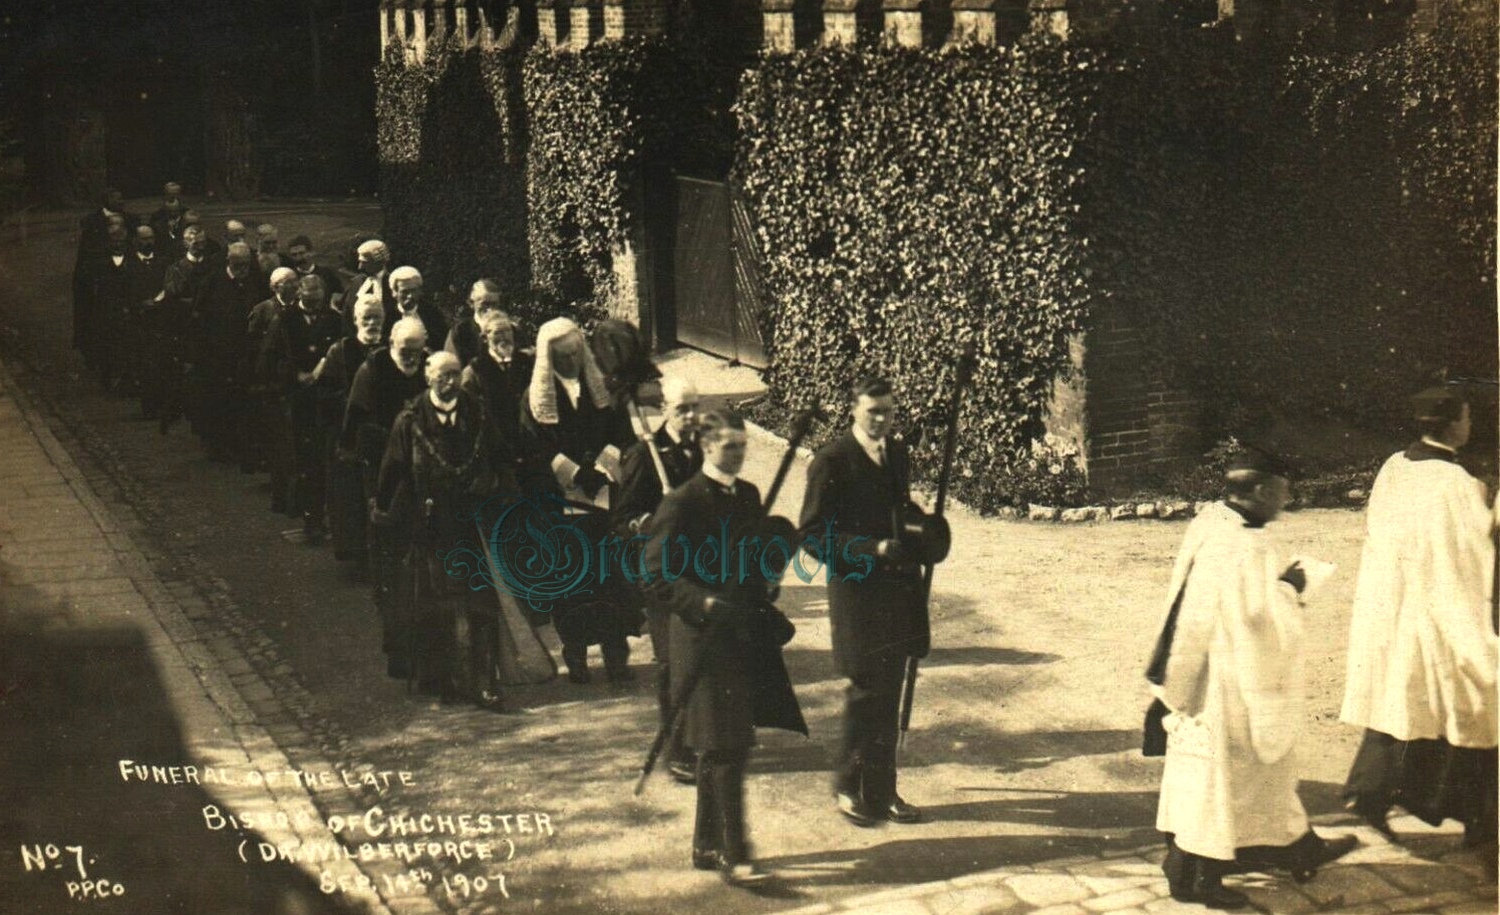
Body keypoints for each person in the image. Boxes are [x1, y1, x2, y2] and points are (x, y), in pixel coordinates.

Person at [1148, 449, 1357, 909]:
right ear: (1261, 490)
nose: (1289, 497)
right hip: (1234, 681)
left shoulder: (1212, 521)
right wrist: (1293, 588)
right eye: (1283, 489)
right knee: (1226, 778)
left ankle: (1293, 844)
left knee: (1230, 775)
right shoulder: (1248, 545)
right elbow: (1261, 622)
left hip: (1199, 668)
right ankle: (1197, 878)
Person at [642, 407, 806, 886]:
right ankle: (737, 855)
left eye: (742, 445)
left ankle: (706, 844)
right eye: (728, 446)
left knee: (724, 744)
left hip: (740, 637)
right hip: (701, 639)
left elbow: (754, 563)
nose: (737, 454)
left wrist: (769, 578)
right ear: (706, 446)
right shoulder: (682, 501)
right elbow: (655, 573)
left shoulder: (749, 496)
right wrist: (705, 603)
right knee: (724, 746)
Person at [1339, 386, 1497, 858]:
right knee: (1476, 708)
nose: (1470, 426)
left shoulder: (1395, 467)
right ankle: (1482, 823)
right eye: (1467, 418)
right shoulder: (1458, 486)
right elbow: (1472, 555)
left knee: (1400, 704)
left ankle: (1368, 794)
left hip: (1393, 605)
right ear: (1452, 425)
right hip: (1439, 611)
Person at [798, 376, 926, 827]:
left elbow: (900, 512)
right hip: (856, 593)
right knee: (865, 691)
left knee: (888, 690)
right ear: (853, 409)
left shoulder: (896, 453)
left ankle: (883, 790)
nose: (881, 419)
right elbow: (812, 535)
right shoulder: (832, 460)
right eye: (873, 411)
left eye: (888, 411)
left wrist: (923, 533)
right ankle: (847, 785)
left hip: (897, 591)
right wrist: (870, 549)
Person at [372, 352, 513, 710]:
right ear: (428, 377)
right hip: (432, 524)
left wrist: (495, 489)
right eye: (443, 376)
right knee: (437, 603)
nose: (451, 382)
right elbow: (393, 471)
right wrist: (390, 514)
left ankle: (485, 680)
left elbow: (501, 458)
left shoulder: (477, 414)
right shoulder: (409, 421)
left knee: (482, 603)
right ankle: (445, 679)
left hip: (473, 520)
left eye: (455, 374)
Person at [518, 317, 637, 683]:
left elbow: (622, 432)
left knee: (610, 579)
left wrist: (603, 466)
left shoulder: (601, 386)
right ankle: (577, 654)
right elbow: (534, 445)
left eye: (574, 354)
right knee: (573, 581)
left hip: (603, 495)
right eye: (562, 357)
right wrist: (573, 473)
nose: (570, 362)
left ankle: (616, 654)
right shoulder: (534, 398)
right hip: (562, 503)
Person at [614, 376, 703, 783]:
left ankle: (700, 735)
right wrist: (649, 523)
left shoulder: (704, 451)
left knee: (700, 657)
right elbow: (623, 517)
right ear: (665, 409)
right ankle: (677, 749)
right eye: (682, 409)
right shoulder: (644, 456)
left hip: (701, 570)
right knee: (670, 661)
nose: (690, 417)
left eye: (694, 408)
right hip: (661, 574)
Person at [343, 317, 429, 673]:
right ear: (393, 344)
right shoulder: (373, 369)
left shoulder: (430, 369)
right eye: (404, 350)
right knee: (392, 552)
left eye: (416, 350)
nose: (410, 357)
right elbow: (357, 421)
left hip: (425, 471)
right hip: (385, 469)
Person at [263, 275, 344, 544]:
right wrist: (293, 375)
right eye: (309, 295)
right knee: (304, 461)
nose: (314, 300)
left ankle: (324, 519)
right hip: (297, 401)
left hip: (326, 401)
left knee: (327, 460)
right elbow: (269, 357)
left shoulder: (333, 320)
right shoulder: (285, 321)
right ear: (299, 293)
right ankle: (310, 518)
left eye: (319, 295)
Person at [321, 293, 385, 564]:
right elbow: (325, 391)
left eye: (377, 318)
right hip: (350, 433)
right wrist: (352, 401)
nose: (372, 323)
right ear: (356, 320)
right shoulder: (340, 351)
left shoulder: (389, 350)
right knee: (351, 498)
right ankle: (356, 555)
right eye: (366, 318)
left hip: (381, 434)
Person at [189, 242, 261, 463]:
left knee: (242, 401)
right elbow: (198, 318)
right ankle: (217, 446)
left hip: (245, 353)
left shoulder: (254, 281)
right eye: (238, 265)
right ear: (229, 261)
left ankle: (240, 446)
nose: (242, 269)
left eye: (246, 265)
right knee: (218, 401)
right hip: (217, 354)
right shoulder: (212, 283)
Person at [246, 268, 302, 498]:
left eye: (295, 281)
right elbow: (251, 346)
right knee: (276, 432)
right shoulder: (264, 310)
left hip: (295, 378)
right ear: (275, 287)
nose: (294, 286)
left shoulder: (301, 308)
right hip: (272, 380)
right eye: (288, 283)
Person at [459, 308, 532, 467]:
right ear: (485, 338)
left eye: (508, 331)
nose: (504, 337)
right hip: (494, 456)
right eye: (498, 333)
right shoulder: (475, 372)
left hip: (531, 449)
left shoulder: (528, 364)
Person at [446, 278, 504, 368]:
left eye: (494, 304)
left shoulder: (511, 328)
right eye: (485, 304)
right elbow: (451, 367)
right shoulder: (460, 331)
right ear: (471, 303)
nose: (490, 309)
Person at [386, 265, 449, 345]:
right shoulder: (388, 315)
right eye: (405, 292)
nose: (410, 296)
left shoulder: (432, 313)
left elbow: (443, 342)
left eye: (413, 290)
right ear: (394, 293)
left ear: (419, 291)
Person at [285, 234, 345, 310]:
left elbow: (339, 294)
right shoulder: (289, 277)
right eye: (294, 255)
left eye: (302, 253)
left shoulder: (326, 273)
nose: (298, 258)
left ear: (310, 253)